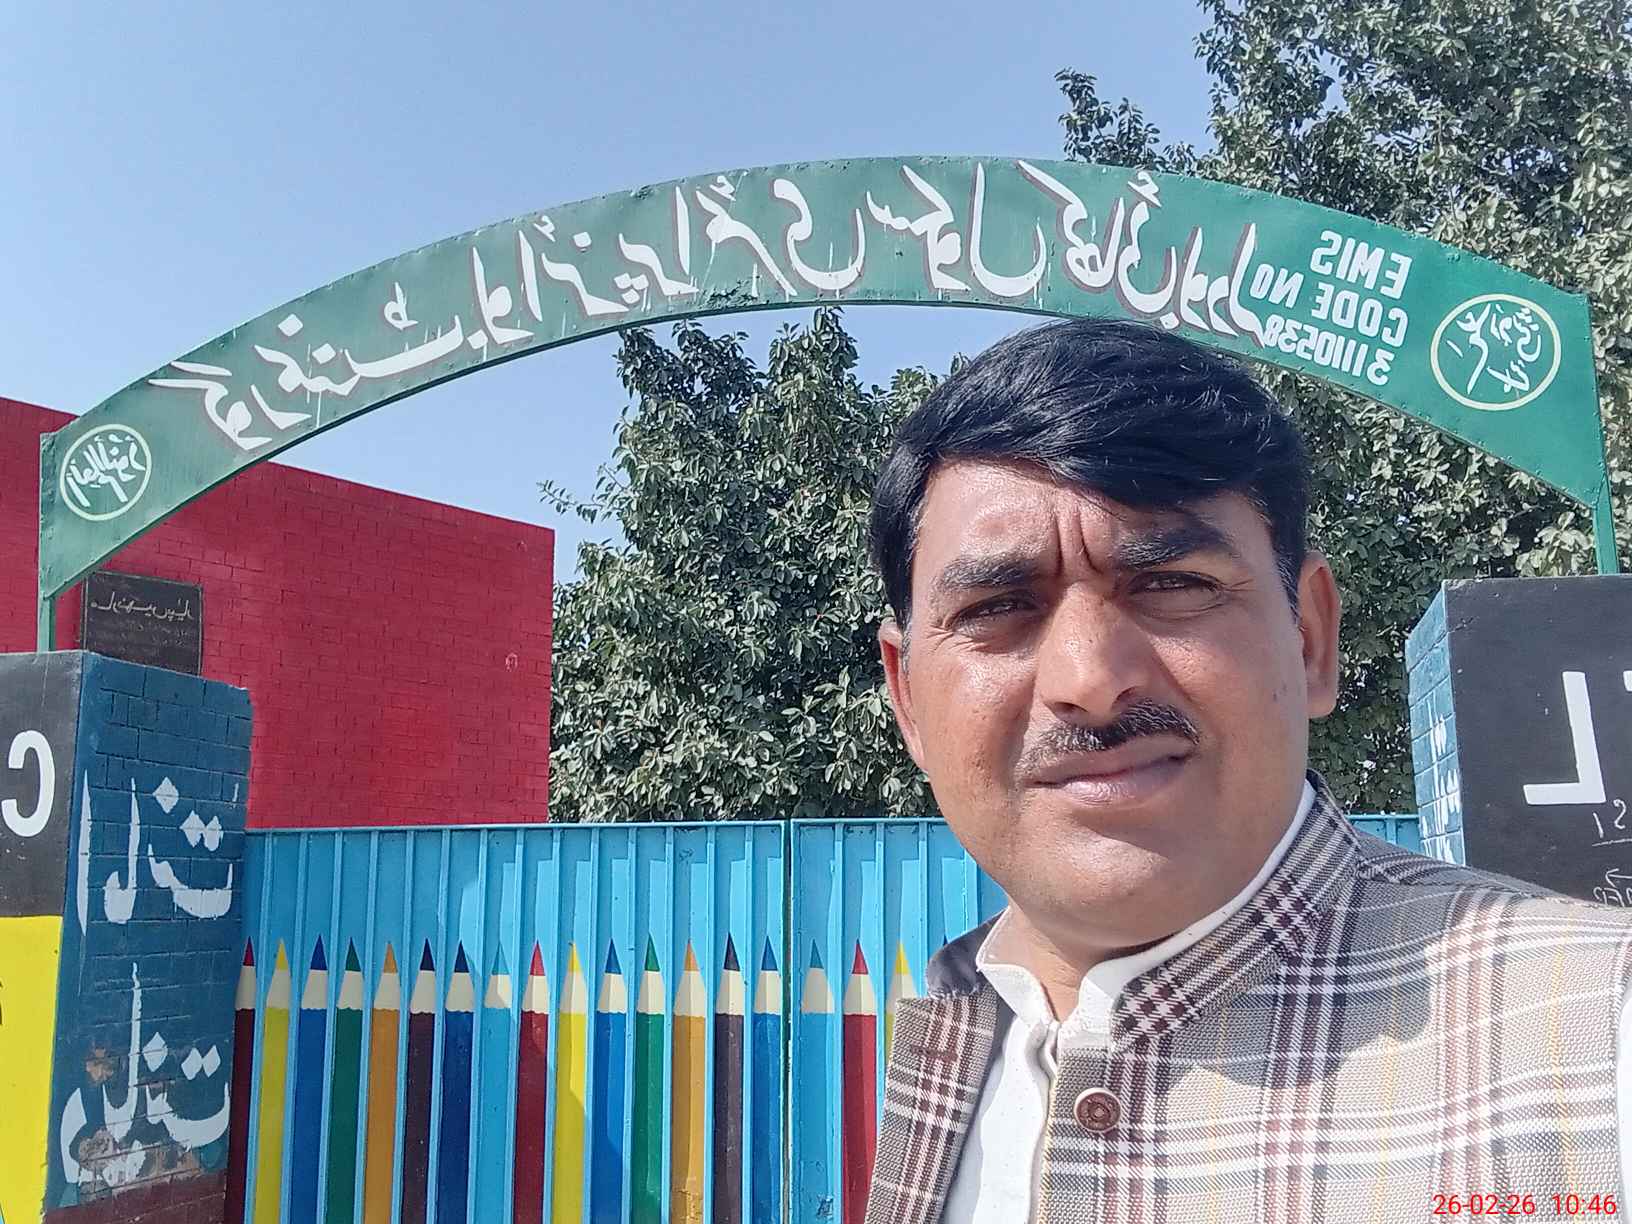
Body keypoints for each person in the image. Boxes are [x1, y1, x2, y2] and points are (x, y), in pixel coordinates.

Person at [862, 318, 1632, 1223]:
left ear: (1309, 639)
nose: (1089, 681)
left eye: (1172, 585)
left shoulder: (1591, 1038)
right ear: (908, 698)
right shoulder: (957, 1040)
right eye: (998, 607)